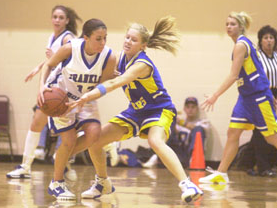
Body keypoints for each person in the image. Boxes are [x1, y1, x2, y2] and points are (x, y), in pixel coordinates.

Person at [67, 16, 203, 203]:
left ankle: (187, 184)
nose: (128, 41)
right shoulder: (120, 58)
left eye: (134, 39)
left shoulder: (142, 64)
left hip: (159, 110)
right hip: (136, 112)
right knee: (95, 139)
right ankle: (102, 183)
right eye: (127, 37)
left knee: (156, 142)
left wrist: (89, 96)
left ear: (143, 46)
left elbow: (116, 82)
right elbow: (99, 73)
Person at [38, 18, 116, 200]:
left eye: (105, 38)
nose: (103, 42)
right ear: (86, 37)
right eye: (98, 38)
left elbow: (101, 86)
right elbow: (48, 64)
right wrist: (41, 86)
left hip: (86, 100)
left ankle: (62, 155)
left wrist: (111, 77)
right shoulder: (70, 48)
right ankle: (56, 183)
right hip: (62, 99)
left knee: (95, 134)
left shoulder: (108, 56)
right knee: (69, 140)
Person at [199, 12, 277, 184]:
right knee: (232, 132)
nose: (228, 27)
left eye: (233, 24)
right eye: (227, 24)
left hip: (258, 97)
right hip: (245, 98)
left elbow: (233, 76)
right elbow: (261, 70)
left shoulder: (241, 45)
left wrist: (215, 96)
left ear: (241, 26)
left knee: (271, 138)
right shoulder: (241, 44)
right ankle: (221, 173)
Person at [6, 5, 82, 180]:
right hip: (51, 88)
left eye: (61, 17)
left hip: (63, 90)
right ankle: (26, 166)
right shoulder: (52, 37)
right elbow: (53, 58)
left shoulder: (68, 38)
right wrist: (38, 68)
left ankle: (66, 164)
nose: (57, 20)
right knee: (36, 124)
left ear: (67, 21)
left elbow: (70, 61)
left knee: (67, 131)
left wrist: (51, 60)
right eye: (54, 16)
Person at [242, 25, 277, 177]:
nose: (269, 41)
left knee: (262, 131)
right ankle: (263, 167)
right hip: (262, 93)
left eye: (271, 38)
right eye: (266, 38)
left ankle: (247, 163)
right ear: (260, 40)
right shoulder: (257, 56)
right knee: (263, 131)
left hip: (276, 93)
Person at [142, 96, 210, 168]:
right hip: (178, 152)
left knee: (198, 129)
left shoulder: (203, 122)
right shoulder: (178, 122)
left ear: (197, 109)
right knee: (168, 125)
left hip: (189, 153)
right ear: (184, 109)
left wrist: (182, 123)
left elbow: (197, 128)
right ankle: (157, 156)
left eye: (193, 107)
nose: (190, 109)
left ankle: (192, 158)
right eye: (188, 107)